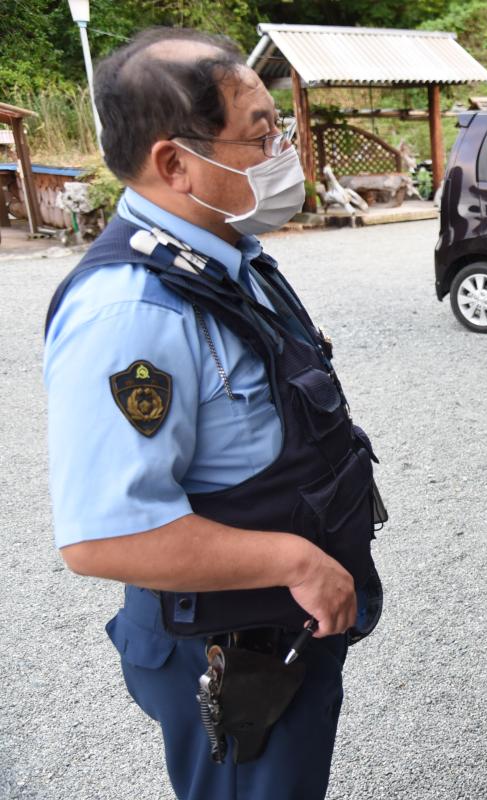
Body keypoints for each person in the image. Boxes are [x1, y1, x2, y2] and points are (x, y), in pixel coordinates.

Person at [43, 28, 386, 799]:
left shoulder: (229, 258)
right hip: (232, 653)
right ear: (175, 162)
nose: (282, 151)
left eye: (279, 129)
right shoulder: (132, 313)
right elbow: (104, 534)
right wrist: (298, 563)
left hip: (283, 634)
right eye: (260, 133)